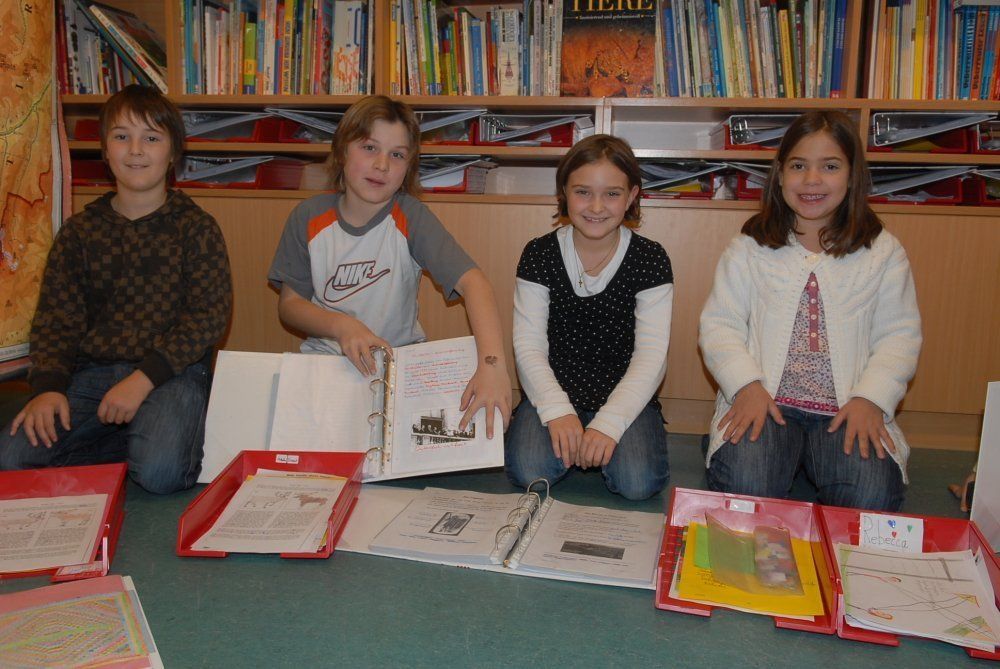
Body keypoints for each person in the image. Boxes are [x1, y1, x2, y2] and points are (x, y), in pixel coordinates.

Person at [0, 85, 233, 493]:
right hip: (93, 375)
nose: (136, 150)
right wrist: (49, 389)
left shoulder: (196, 228)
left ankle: (148, 439)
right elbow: (56, 320)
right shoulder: (80, 232)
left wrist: (143, 380)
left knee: (159, 473)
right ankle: (128, 441)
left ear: (173, 154)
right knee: (12, 458)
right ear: (105, 151)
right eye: (122, 136)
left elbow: (208, 317)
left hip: (171, 374)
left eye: (151, 138)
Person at [699, 110, 922, 511]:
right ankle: (744, 449)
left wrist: (871, 399)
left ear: (852, 176)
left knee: (869, 499)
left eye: (830, 166)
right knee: (747, 487)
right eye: (798, 166)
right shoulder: (750, 246)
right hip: (766, 403)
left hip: (846, 408)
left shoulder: (883, 251)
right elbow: (720, 326)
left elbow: (899, 337)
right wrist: (745, 387)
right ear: (780, 175)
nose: (812, 180)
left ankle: (807, 457)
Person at [268, 96, 510, 436]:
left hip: (400, 365)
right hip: (327, 362)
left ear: (408, 166)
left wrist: (492, 366)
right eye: (369, 148)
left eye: (397, 155)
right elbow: (290, 305)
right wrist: (342, 326)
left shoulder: (410, 216)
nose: (382, 165)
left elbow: (475, 283)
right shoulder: (308, 217)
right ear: (342, 151)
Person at [504, 134, 673, 500]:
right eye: (583, 192)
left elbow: (652, 355)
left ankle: (598, 438)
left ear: (631, 196)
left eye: (612, 193)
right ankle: (573, 435)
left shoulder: (650, 258)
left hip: (626, 393)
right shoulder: (539, 254)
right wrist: (556, 410)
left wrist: (610, 422)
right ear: (564, 193)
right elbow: (528, 345)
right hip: (553, 388)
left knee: (638, 483)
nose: (596, 206)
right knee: (528, 471)